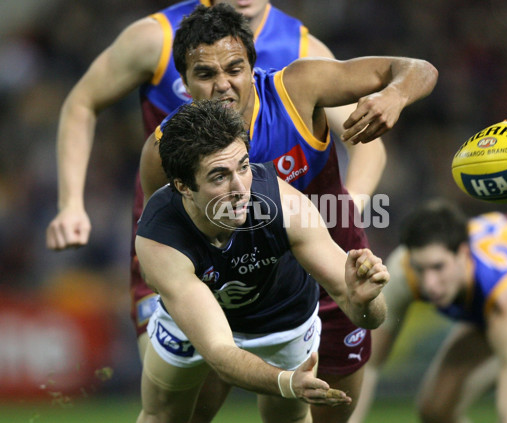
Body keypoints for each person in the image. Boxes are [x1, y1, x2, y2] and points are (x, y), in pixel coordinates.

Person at [139, 3, 437, 421]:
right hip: (235, 280)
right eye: (205, 75)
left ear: (252, 65)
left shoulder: (297, 89)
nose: (222, 85)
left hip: (328, 258)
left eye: (234, 69)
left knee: (330, 410)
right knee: (189, 414)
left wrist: (394, 95)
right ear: (184, 84)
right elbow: (172, 222)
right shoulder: (163, 149)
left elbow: (417, 69)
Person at [45, 0, 387, 360]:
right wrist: (70, 203)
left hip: (286, 244)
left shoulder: (301, 49)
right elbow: (82, 102)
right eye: (206, 74)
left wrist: (345, 208)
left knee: (312, 391)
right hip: (182, 238)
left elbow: (367, 142)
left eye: (235, 69)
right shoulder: (156, 38)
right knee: (173, 391)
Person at [135, 99, 389, 423]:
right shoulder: (160, 240)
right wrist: (286, 381)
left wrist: (365, 301)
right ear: (184, 186)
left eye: (243, 166)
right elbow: (220, 352)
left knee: (290, 418)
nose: (240, 188)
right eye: (219, 177)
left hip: (283, 315)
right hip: (194, 321)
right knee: (162, 416)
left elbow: (370, 319)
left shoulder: (287, 207)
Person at [349, 199, 507, 423]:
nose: (429, 284)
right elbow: (367, 362)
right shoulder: (403, 270)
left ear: (463, 254)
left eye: (438, 267)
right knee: (435, 411)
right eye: (420, 269)